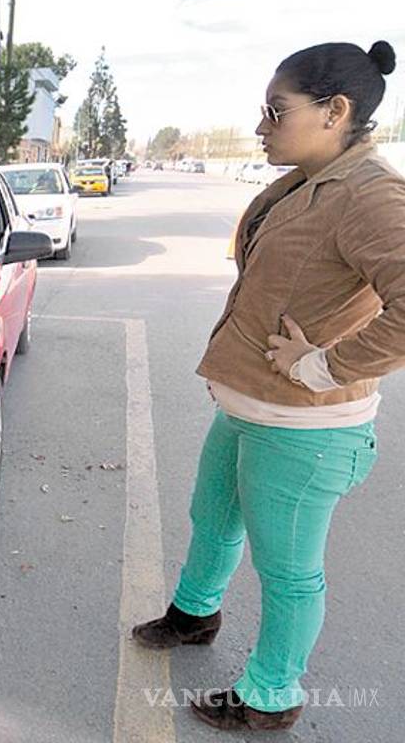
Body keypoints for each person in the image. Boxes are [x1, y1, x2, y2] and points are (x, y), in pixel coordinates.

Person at [132, 41, 401, 731]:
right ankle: (195, 614)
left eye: (277, 111)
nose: (262, 126)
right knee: (211, 520)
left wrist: (326, 366)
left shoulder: (370, 193)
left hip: (305, 430)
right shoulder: (305, 180)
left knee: (288, 573)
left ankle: (270, 696)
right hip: (253, 409)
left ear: (335, 111)